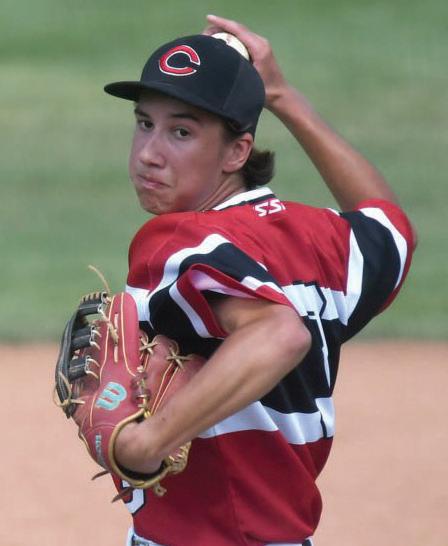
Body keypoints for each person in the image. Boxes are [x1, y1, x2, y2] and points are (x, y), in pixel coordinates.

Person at [101, 14, 416, 546]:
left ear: (237, 152)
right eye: (144, 123)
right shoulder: (322, 237)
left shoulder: (176, 241)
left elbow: (279, 333)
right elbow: (390, 226)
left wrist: (147, 443)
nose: (149, 153)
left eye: (181, 132)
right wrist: (285, 97)